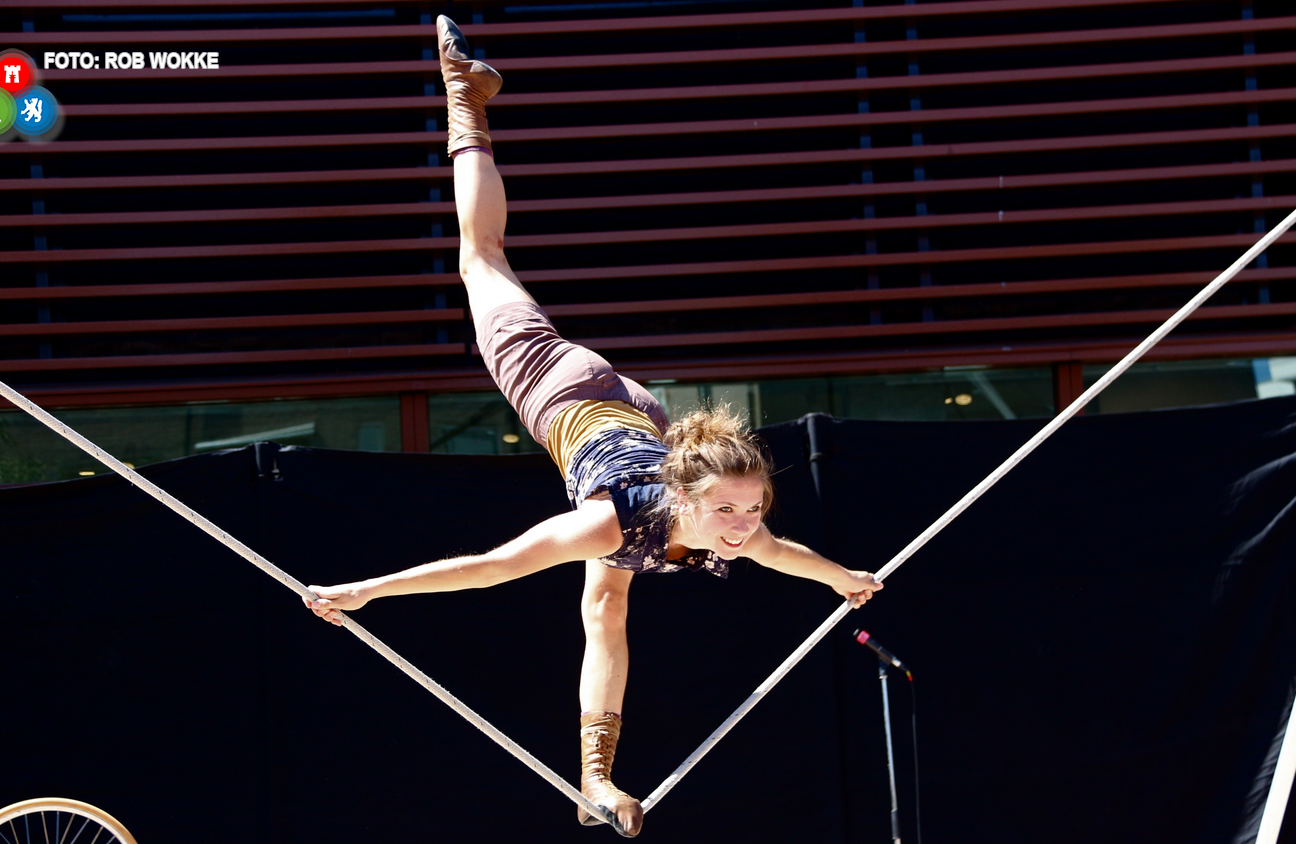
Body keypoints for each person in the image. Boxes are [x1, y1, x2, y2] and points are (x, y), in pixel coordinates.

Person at [304, 16, 882, 838]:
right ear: (687, 495)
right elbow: (489, 569)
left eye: (751, 508)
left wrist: (843, 577)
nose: (744, 524)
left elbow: (781, 552)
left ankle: (597, 780)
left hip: (636, 411)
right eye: (730, 511)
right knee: (482, 256)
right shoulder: (613, 518)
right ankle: (465, 97)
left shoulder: (717, 527)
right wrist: (369, 592)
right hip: (561, 386)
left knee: (607, 606)